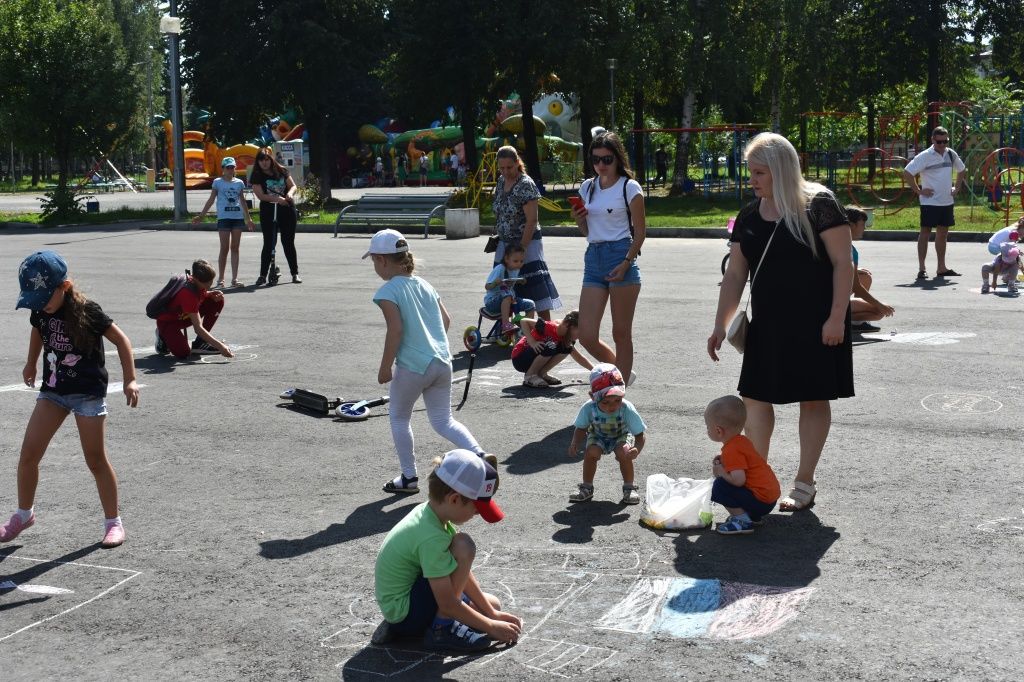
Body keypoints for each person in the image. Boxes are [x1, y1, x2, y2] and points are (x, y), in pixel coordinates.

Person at [708, 132, 854, 512]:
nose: (752, 180)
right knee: (755, 399)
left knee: (813, 398)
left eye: (760, 172)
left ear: (781, 170)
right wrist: (720, 324)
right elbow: (735, 274)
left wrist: (837, 317)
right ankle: (757, 479)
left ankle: (805, 481)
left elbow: (843, 264)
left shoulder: (819, 205)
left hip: (818, 323)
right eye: (750, 172)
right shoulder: (749, 216)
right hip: (768, 325)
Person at [1, 251, 139, 548]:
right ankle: (24, 514)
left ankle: (113, 522)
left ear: (64, 286)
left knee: (95, 460)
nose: (40, 305)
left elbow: (122, 341)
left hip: (88, 393)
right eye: (34, 300)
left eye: (43, 298)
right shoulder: (41, 310)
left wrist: (130, 379)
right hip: (53, 391)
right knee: (28, 455)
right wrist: (30, 363)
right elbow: (38, 331)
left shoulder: (88, 311)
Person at [365, 229, 496, 494]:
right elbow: (446, 320)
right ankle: (479, 455)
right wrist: (432, 345)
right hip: (441, 361)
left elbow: (396, 330)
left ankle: (409, 477)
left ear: (382, 260)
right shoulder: (425, 285)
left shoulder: (388, 291)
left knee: (399, 418)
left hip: (413, 366)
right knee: (443, 420)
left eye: (373, 261)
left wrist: (385, 367)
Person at [372, 449, 521, 652]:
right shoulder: (431, 537)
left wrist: (492, 615)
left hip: (406, 600)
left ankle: (418, 624)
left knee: (493, 605)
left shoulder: (430, 514)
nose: (477, 514)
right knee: (464, 545)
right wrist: (491, 626)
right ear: (454, 499)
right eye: (476, 509)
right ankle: (441, 628)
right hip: (405, 615)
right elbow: (448, 604)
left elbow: (460, 571)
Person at [570, 131, 646, 386]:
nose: (601, 165)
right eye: (596, 159)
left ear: (617, 158)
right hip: (593, 257)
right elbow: (587, 232)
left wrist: (626, 263)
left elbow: (641, 233)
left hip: (621, 255)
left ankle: (619, 393)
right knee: (586, 335)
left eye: (607, 159)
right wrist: (579, 220)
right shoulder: (587, 187)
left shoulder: (629, 187)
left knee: (621, 333)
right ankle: (623, 372)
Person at [492, 145, 562, 319]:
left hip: (526, 242)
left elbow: (532, 220)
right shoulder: (501, 181)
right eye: (501, 168)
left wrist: (522, 248)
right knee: (504, 286)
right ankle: (507, 327)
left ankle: (545, 327)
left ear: (517, 162)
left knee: (533, 287)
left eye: (509, 167)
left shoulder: (525, 184)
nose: (505, 172)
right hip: (505, 243)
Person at [566, 363, 647, 505]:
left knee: (624, 453)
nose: (612, 406)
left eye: (617, 400)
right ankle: (587, 486)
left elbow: (640, 434)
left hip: (621, 435)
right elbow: (581, 428)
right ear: (593, 397)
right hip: (598, 435)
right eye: (606, 402)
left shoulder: (626, 408)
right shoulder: (588, 408)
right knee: (591, 452)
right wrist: (575, 442)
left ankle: (629, 487)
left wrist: (637, 449)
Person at [705, 395, 780, 535]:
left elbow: (739, 481)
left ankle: (742, 521)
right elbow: (745, 465)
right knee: (727, 484)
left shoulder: (731, 450)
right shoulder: (742, 441)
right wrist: (724, 460)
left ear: (718, 431)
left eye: (707, 427)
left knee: (719, 486)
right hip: (768, 498)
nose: (707, 430)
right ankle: (752, 516)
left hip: (761, 502)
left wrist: (721, 472)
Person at [902, 126, 966, 280]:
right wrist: (918, 190)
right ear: (933, 140)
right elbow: (907, 172)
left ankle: (941, 268)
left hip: (946, 201)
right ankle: (922, 269)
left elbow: (962, 170)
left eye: (945, 141)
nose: (942, 145)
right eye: (939, 142)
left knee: (942, 234)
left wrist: (957, 187)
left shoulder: (950, 153)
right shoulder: (925, 156)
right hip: (929, 202)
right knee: (925, 233)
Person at [192, 157, 255, 288]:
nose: (230, 170)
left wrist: (248, 219)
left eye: (232, 167)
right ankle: (221, 279)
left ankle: (235, 279)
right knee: (224, 248)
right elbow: (211, 199)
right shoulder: (217, 182)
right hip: (224, 218)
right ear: (223, 169)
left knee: (235, 248)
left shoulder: (239, 183)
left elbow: (242, 201)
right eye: (228, 167)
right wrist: (201, 215)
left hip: (237, 218)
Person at [154, 259, 234, 359]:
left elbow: (199, 294)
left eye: (211, 280)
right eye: (206, 283)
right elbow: (198, 328)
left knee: (217, 300)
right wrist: (220, 346)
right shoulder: (187, 294)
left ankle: (200, 343)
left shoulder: (195, 282)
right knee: (183, 353)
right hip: (170, 322)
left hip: (184, 316)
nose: (209, 284)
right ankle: (162, 335)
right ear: (195, 278)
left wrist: (209, 294)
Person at [249, 148, 301, 286]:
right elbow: (261, 196)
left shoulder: (281, 170)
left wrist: (289, 194)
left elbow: (293, 186)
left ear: (271, 159)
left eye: (266, 159)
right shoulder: (256, 176)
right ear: (258, 162)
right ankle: (262, 275)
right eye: (261, 160)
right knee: (269, 243)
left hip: (287, 210)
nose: (264, 163)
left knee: (288, 242)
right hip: (269, 211)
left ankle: (295, 273)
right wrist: (278, 199)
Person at [844, 206, 895, 333]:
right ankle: (840, 319)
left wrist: (856, 270)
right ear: (851, 225)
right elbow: (856, 287)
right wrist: (880, 305)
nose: (864, 228)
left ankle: (855, 323)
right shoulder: (848, 249)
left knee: (865, 277)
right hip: (830, 301)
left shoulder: (834, 242)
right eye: (862, 224)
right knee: (878, 312)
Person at [512, 310, 592, 388]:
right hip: (520, 358)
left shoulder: (566, 337)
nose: (580, 336)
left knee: (567, 348)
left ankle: (541, 374)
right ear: (567, 325)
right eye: (580, 332)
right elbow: (524, 321)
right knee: (550, 345)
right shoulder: (548, 327)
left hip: (534, 356)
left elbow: (578, 357)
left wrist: (594, 370)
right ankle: (530, 376)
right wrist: (532, 341)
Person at [483, 243, 536, 334]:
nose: (519, 264)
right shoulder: (500, 269)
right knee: (507, 296)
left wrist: (520, 281)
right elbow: (487, 286)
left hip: (510, 301)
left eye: (521, 261)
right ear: (507, 259)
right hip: (492, 302)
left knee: (530, 304)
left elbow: (510, 281)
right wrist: (495, 283)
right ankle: (505, 325)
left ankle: (526, 328)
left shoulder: (516, 269)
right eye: (516, 261)